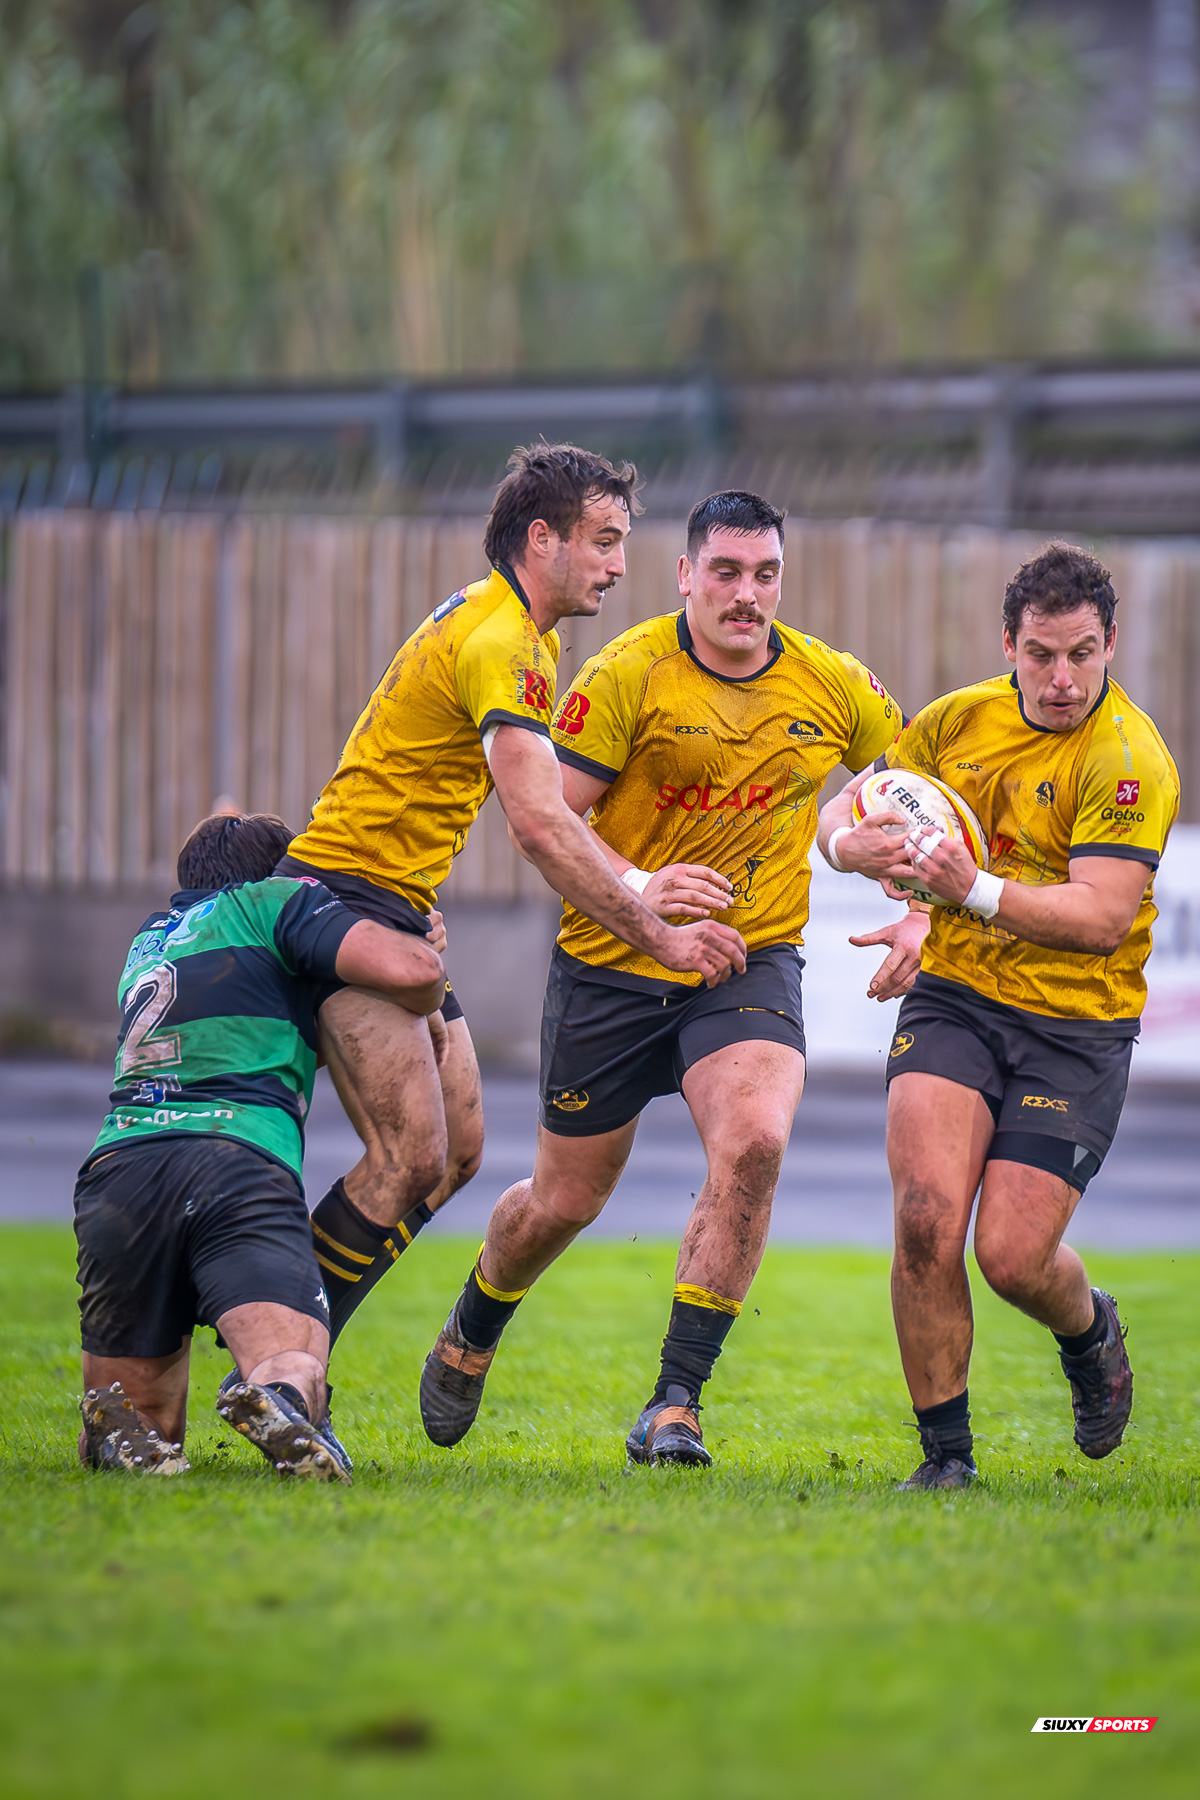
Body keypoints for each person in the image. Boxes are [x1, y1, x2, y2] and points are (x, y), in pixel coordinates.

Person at [418, 489, 925, 1466]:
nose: (746, 595)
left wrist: (914, 905)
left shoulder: (834, 684)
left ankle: (675, 1402)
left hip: (748, 957)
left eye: (764, 574)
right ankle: (476, 1322)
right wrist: (648, 895)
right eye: (725, 573)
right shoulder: (624, 675)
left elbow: (915, 796)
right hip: (611, 965)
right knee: (563, 1202)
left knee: (757, 1141)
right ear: (685, 574)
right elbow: (554, 825)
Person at [279, 444, 746, 1345]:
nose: (619, 565)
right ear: (543, 538)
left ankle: (287, 1336)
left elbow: (531, 814)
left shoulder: (510, 627)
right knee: (408, 1153)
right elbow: (537, 824)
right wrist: (657, 933)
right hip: (342, 902)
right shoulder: (504, 642)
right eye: (604, 541)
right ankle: (279, 1353)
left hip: (389, 903)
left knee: (455, 1154)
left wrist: (636, 881)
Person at [816, 543, 1179, 1489]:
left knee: (1013, 1257)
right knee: (926, 1220)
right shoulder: (954, 722)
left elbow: (1101, 919)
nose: (1063, 680)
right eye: (1041, 656)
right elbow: (853, 809)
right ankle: (947, 1463)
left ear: (1112, 644)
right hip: (959, 1000)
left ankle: (1089, 1328)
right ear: (1007, 644)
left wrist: (963, 891)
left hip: (1075, 1030)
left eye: (1083, 655)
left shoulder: (1130, 758)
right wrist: (854, 853)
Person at [74, 811, 446, 1483]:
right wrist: (415, 949)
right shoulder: (278, 903)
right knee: (291, 1359)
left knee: (145, 1419)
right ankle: (277, 1399)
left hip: (118, 1175)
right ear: (285, 875)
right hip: (234, 1164)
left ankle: (118, 1434)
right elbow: (414, 971)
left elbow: (251, 1036)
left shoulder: (151, 940)